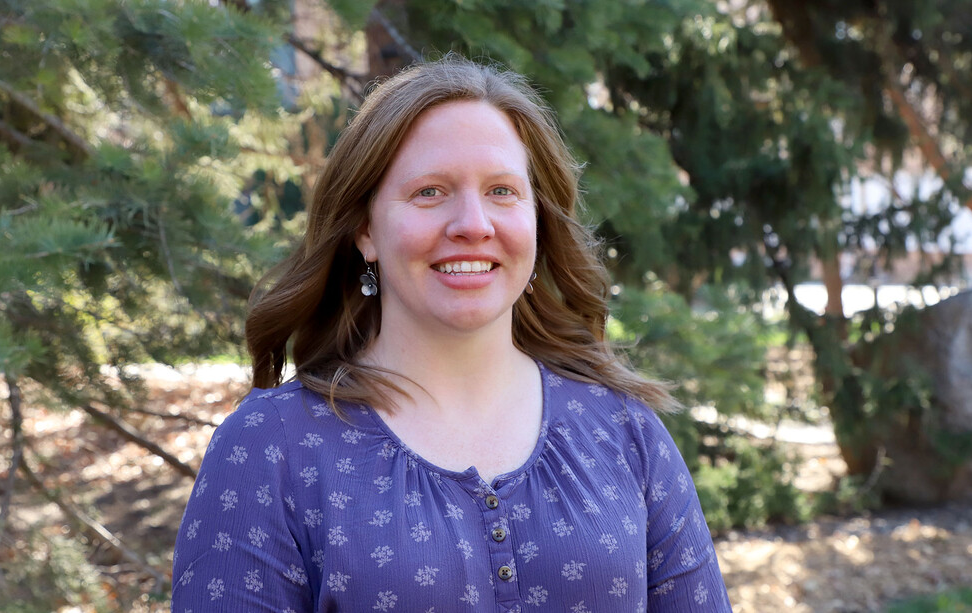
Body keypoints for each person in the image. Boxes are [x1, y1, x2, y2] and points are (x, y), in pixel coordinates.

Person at [171, 55, 732, 612]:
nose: (472, 224)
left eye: (502, 191)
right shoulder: (269, 448)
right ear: (365, 229)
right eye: (430, 192)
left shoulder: (625, 433)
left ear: (536, 220)